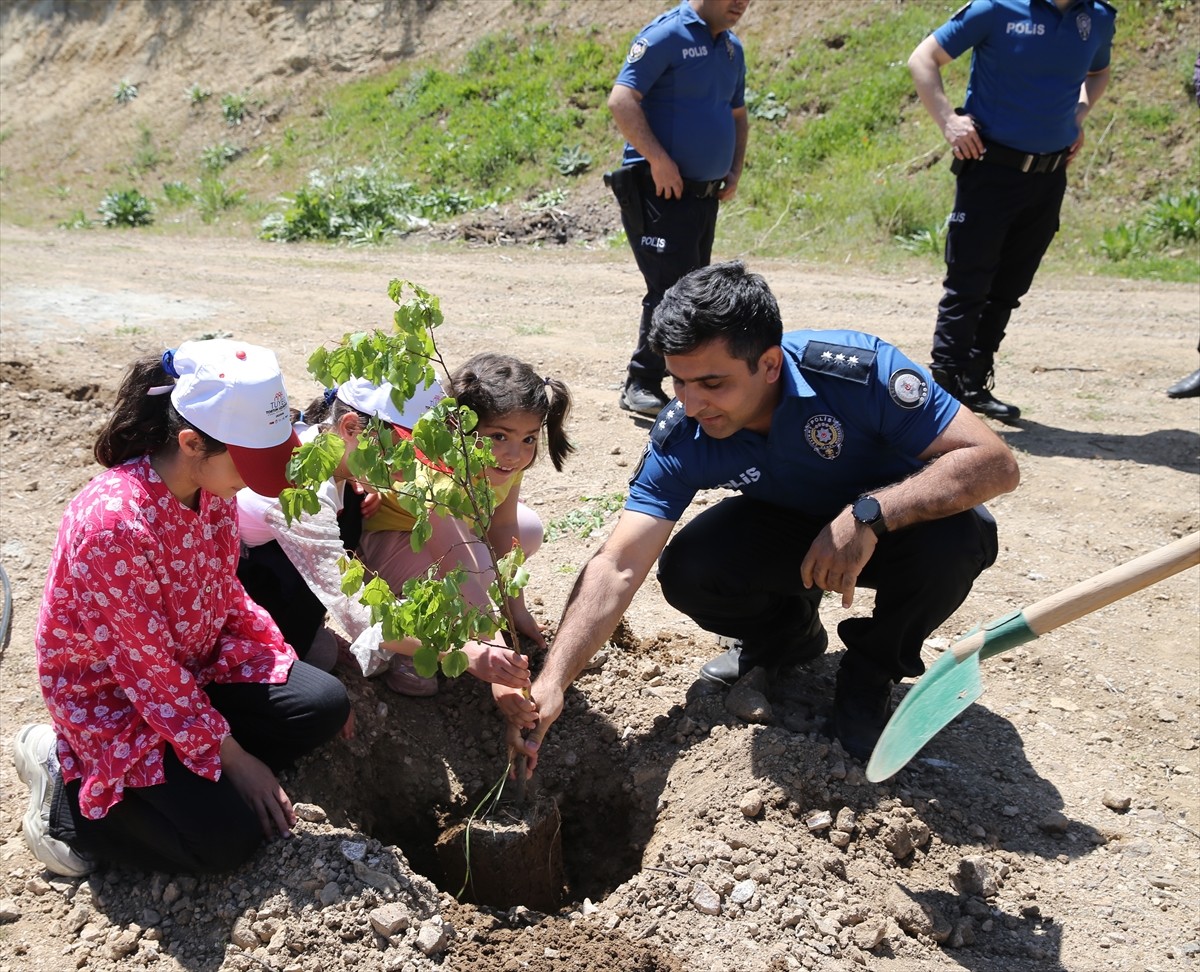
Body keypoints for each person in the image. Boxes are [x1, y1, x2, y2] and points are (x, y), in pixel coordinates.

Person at [499, 262, 1019, 770]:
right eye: (679, 382)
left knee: (959, 538)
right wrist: (554, 679)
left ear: (769, 364)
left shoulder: (855, 373)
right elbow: (619, 563)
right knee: (691, 569)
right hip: (789, 528)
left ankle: (869, 675)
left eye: (712, 383)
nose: (692, 402)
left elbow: (994, 463)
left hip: (896, 530)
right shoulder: (685, 433)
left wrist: (869, 514)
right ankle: (787, 638)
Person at [11, 339, 350, 877]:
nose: (255, 477)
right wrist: (236, 759)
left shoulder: (213, 488)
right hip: (115, 697)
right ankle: (67, 794)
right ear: (192, 443)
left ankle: (190, 768)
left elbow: (228, 591)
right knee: (228, 841)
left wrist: (282, 660)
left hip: (190, 667)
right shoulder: (115, 524)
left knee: (324, 703)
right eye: (250, 461)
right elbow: (145, 671)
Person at [908, 0, 1116, 422]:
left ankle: (973, 380)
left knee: (1010, 286)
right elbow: (923, 58)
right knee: (969, 283)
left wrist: (1079, 113)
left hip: (1049, 174)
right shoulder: (996, 9)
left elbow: (1098, 73)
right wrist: (949, 121)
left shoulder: (1097, 18)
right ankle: (943, 388)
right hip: (990, 170)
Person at [358, 353, 573, 696]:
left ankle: (465, 623)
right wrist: (500, 663)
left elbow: (504, 528)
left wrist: (514, 608)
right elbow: (460, 563)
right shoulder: (441, 472)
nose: (514, 454)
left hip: (445, 537)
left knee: (527, 529)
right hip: (388, 541)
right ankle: (412, 646)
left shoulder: (508, 465)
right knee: (476, 575)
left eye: (529, 439)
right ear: (459, 426)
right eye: (499, 436)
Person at [607, 0, 749, 417]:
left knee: (692, 290)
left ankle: (686, 380)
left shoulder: (730, 48)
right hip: (660, 190)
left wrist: (735, 168)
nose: (742, 2)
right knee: (670, 290)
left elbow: (737, 113)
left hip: (703, 194)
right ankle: (642, 381)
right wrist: (658, 159)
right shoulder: (668, 34)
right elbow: (622, 100)